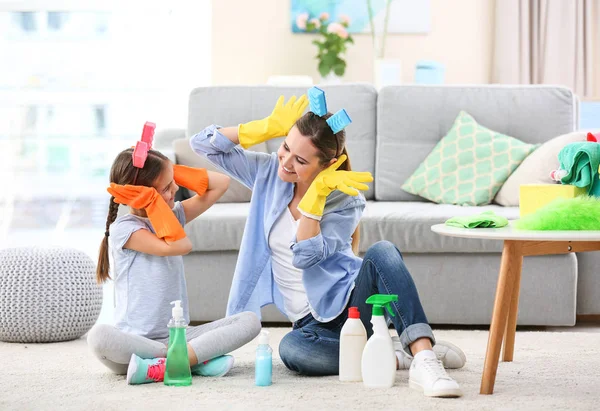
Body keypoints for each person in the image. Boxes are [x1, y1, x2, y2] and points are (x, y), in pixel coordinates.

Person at [190, 89, 466, 398]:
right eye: (285, 147)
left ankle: (425, 359)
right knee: (292, 351)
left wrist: (317, 196)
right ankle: (392, 351)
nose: (286, 162)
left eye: (301, 160)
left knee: (383, 252)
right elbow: (202, 144)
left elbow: (305, 257)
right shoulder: (269, 172)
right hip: (310, 325)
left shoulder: (345, 200)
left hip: (351, 305)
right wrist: (263, 127)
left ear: (328, 164)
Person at [87, 134, 261, 385]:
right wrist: (154, 197)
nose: (175, 190)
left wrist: (170, 170)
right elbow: (180, 245)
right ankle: (192, 360)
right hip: (134, 346)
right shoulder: (124, 230)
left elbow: (221, 183)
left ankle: (167, 364)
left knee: (250, 321)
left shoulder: (173, 216)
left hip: (179, 336)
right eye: (166, 188)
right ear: (143, 195)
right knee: (99, 337)